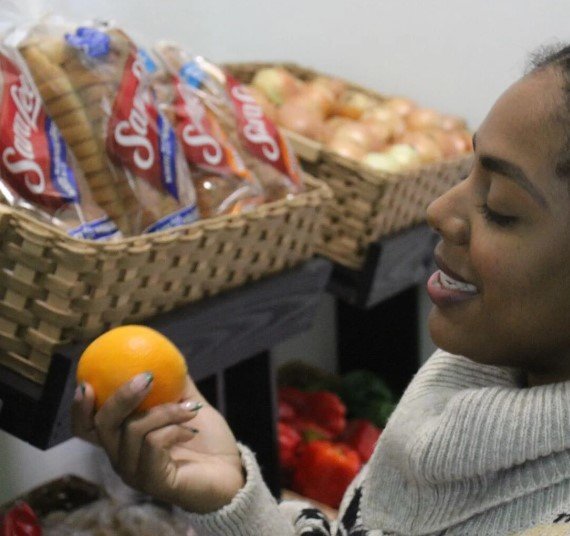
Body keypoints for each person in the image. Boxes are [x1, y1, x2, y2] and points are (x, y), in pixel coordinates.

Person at [72, 42, 570, 536]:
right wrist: (229, 496)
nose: (438, 210)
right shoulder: (469, 381)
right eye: (469, 169)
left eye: (501, 205)